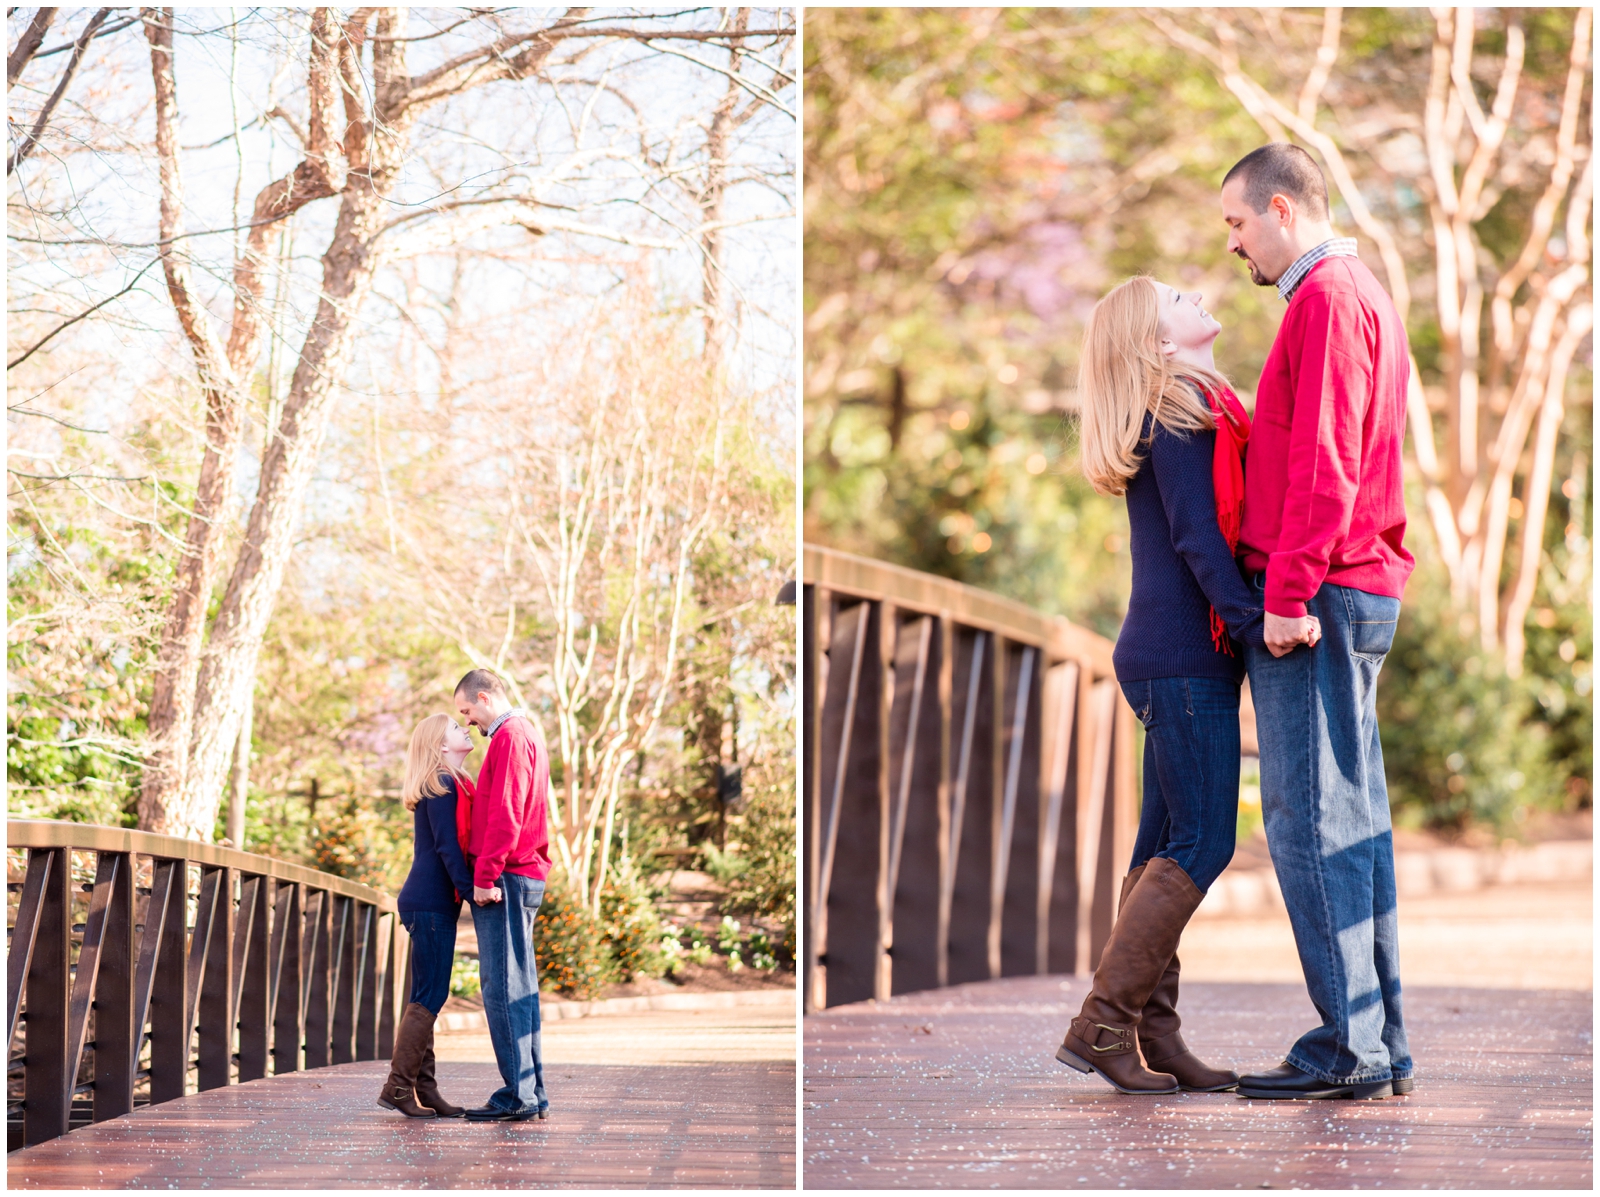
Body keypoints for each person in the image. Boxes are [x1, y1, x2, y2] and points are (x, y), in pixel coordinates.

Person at [1053, 274, 1316, 1095]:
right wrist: (1255, 623)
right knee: (1204, 841)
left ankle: (1152, 1032)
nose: (1197, 291)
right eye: (1175, 295)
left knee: (1161, 845)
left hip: (1172, 654)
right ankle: (1102, 1023)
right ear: (1159, 343)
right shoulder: (1177, 416)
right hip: (1182, 656)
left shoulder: (1189, 412)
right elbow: (1198, 539)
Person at [1220, 143, 1415, 1101]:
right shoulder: (1354, 292)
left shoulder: (1329, 298)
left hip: (1322, 593)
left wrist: (1288, 596)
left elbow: (1327, 462)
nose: (1233, 244)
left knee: (1308, 819)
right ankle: (1379, 1040)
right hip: (1350, 585)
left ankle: (1351, 1045)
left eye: (1238, 222)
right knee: (1354, 822)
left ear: (1283, 209)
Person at [453, 667, 554, 1122]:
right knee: (521, 987)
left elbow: (507, 812)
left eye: (466, 710)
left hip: (507, 877)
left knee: (502, 987)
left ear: (484, 697)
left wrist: (485, 876)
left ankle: (519, 1095)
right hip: (521, 874)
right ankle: (532, 1092)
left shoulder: (511, 736)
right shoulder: (524, 733)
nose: (467, 720)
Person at [379, 713, 479, 1118]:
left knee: (426, 995)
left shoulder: (452, 782)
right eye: (456, 728)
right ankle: (398, 1086)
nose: (465, 728)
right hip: (429, 901)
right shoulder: (442, 784)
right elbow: (447, 847)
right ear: (440, 745)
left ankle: (425, 1088)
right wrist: (471, 891)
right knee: (431, 996)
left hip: (431, 901)